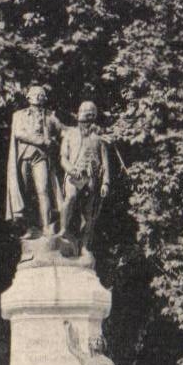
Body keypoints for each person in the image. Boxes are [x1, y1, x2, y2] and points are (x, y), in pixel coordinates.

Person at [5, 85, 63, 234]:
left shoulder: (50, 116)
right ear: (28, 97)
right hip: (24, 156)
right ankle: (28, 228)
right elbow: (18, 133)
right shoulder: (19, 115)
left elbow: (63, 130)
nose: (38, 97)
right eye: (35, 94)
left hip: (41, 157)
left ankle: (46, 226)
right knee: (24, 192)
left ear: (45, 98)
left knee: (43, 190)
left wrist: (83, 129)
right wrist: (41, 140)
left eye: (41, 94)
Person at [58, 101, 111, 253]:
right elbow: (63, 158)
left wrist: (105, 183)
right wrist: (71, 170)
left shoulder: (99, 139)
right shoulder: (70, 135)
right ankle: (63, 230)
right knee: (71, 197)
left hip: (92, 178)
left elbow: (105, 163)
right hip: (74, 175)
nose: (87, 122)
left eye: (90, 117)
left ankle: (85, 245)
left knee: (88, 213)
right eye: (85, 117)